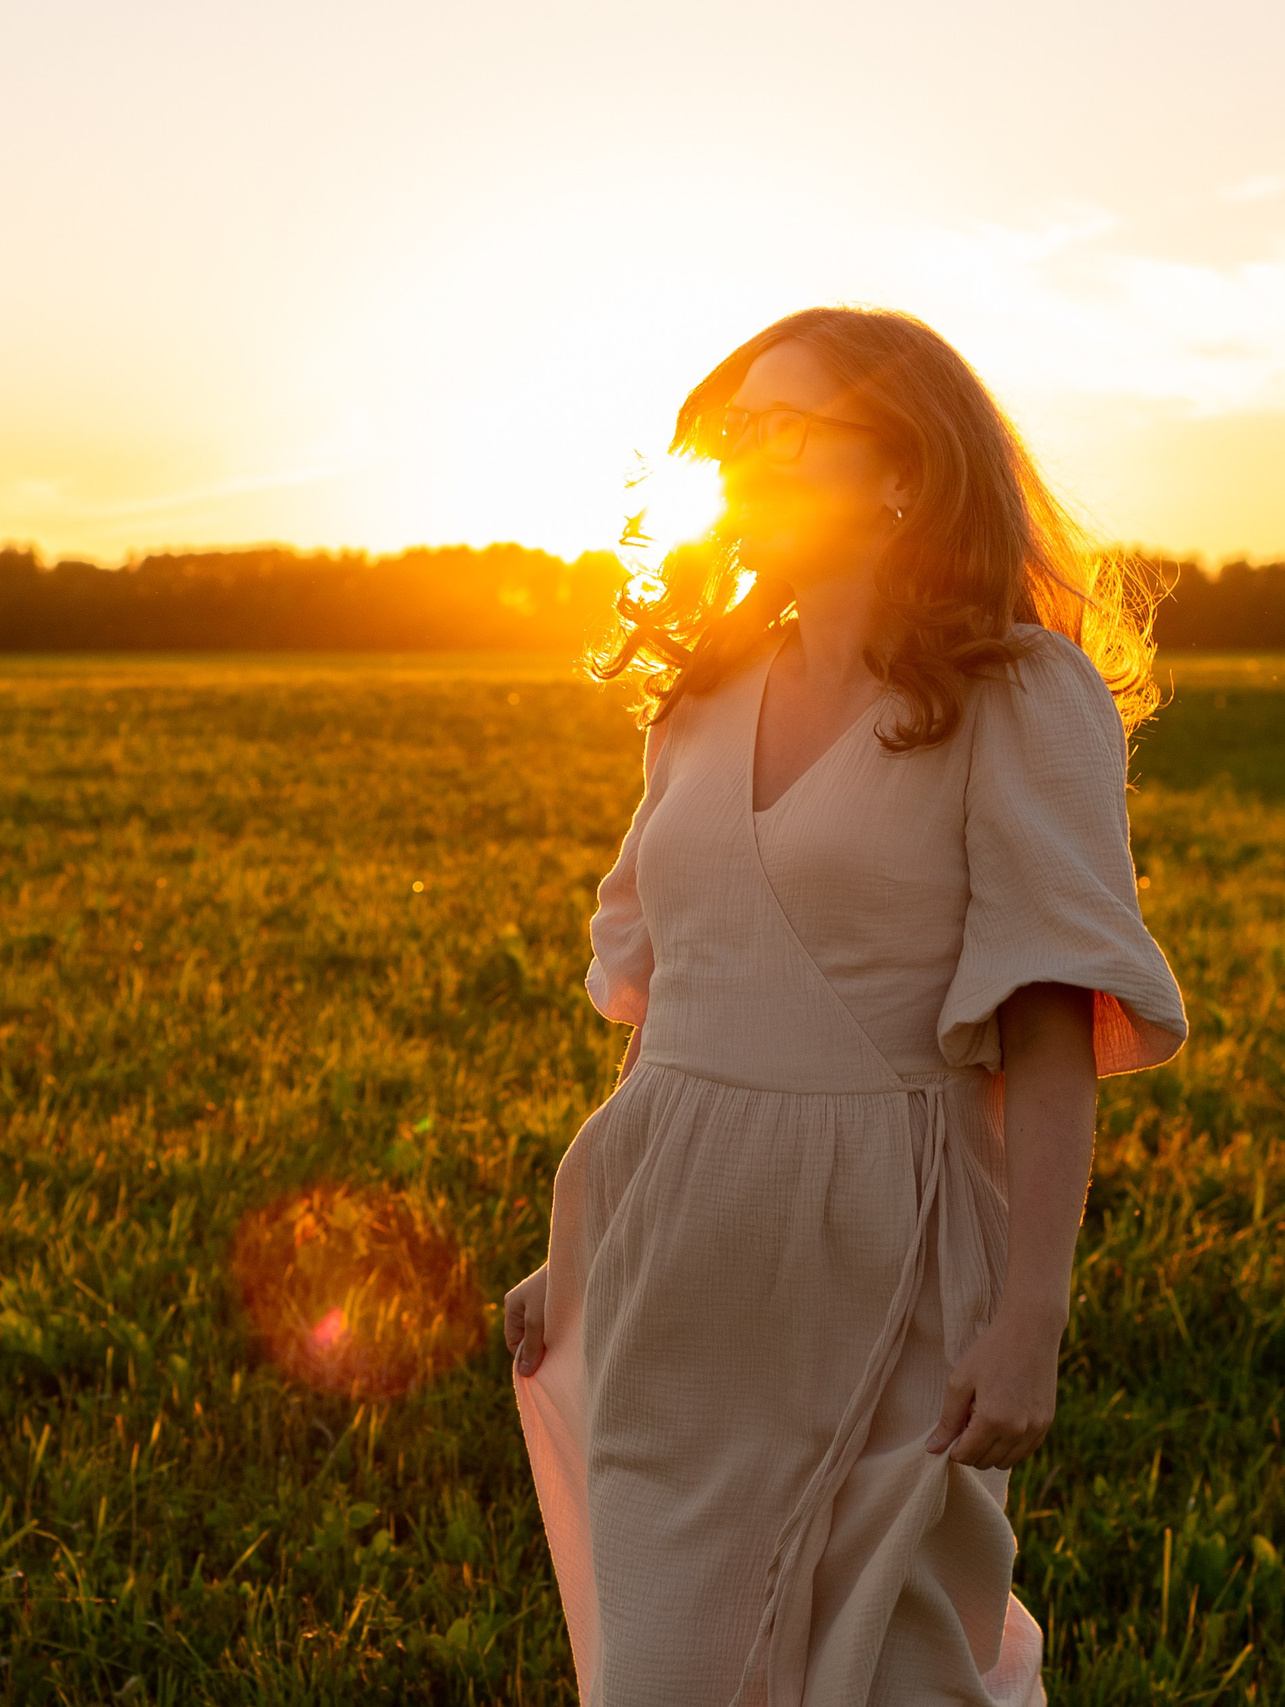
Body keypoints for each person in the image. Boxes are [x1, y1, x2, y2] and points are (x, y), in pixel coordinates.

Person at [503, 306, 1186, 1706]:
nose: (744, 461)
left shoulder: (1019, 694)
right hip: (668, 1262)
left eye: (783, 433)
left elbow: (1048, 1030)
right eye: (730, 436)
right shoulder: (697, 696)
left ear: (901, 468)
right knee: (672, 1667)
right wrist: (583, 1255)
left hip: (884, 1243)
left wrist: (1031, 1318)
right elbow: (680, 994)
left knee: (894, 1664)